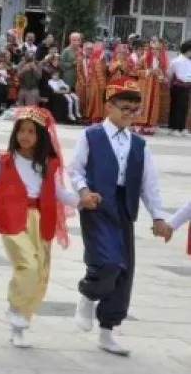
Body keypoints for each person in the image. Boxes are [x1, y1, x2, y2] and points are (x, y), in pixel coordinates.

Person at [71, 76, 173, 356]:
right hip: (98, 205)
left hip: (125, 207)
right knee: (108, 262)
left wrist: (158, 217)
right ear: (109, 107)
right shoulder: (91, 136)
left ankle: (107, 330)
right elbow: (76, 170)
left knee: (124, 271)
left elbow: (147, 184)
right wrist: (83, 191)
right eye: (124, 108)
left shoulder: (139, 145)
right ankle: (88, 294)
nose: (129, 114)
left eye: (134, 109)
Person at [0, 107, 77, 348]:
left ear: (41, 136)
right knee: (27, 265)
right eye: (21, 131)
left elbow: (59, 192)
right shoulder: (3, 161)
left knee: (39, 272)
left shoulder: (47, 165)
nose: (25, 136)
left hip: (40, 219)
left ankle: (19, 323)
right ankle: (15, 307)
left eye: (31, 132)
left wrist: (83, 201)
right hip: (12, 219)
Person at [168, 41, 191, 136]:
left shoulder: (189, 61)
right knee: (176, 107)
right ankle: (174, 128)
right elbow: (171, 74)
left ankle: (182, 128)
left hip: (187, 87)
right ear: (188, 51)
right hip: (178, 86)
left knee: (184, 108)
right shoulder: (176, 61)